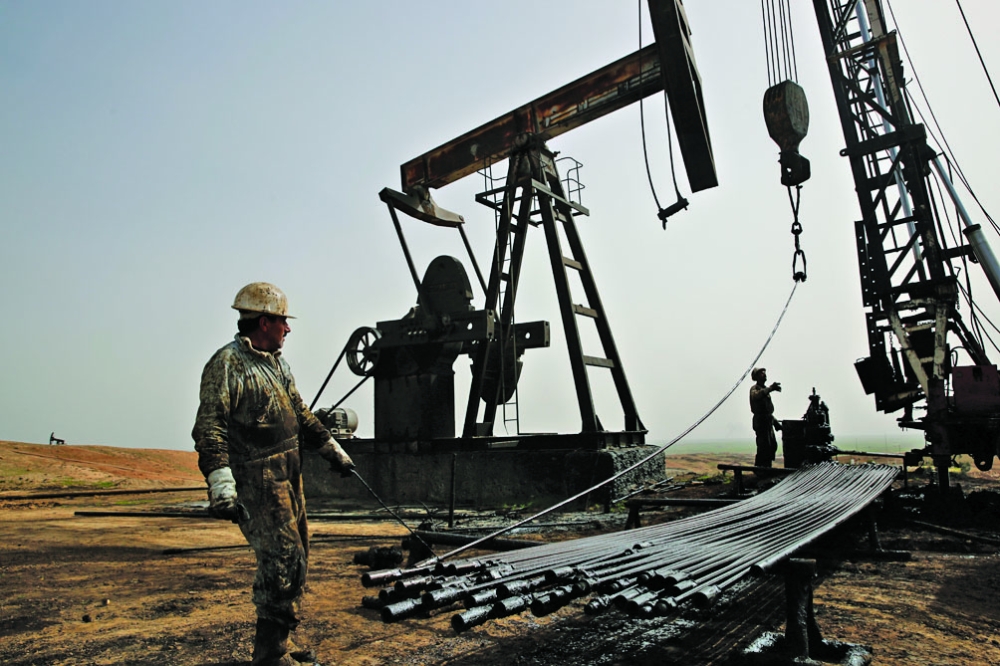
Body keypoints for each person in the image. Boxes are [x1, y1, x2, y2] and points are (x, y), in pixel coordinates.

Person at [192, 282, 355, 666]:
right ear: (264, 322)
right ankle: (270, 655)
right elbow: (210, 427)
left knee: (298, 559)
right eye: (283, 321)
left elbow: (301, 413)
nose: (288, 328)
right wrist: (221, 484)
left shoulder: (278, 366)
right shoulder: (227, 364)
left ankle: (279, 640)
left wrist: (332, 450)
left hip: (289, 475)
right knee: (282, 559)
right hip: (258, 479)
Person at [749, 367, 782, 468]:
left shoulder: (765, 390)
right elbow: (756, 396)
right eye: (761, 373)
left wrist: (776, 423)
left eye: (764, 373)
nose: (764, 374)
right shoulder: (755, 389)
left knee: (772, 445)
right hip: (760, 421)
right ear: (756, 377)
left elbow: (767, 411)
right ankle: (760, 468)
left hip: (767, 421)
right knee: (764, 445)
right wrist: (770, 389)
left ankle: (767, 466)